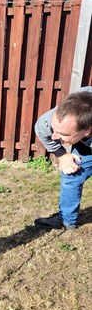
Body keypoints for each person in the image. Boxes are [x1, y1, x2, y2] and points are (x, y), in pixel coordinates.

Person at [34, 86, 92, 230]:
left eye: (63, 134)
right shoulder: (54, 118)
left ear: (87, 130)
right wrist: (62, 155)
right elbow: (41, 130)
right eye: (55, 130)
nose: (54, 137)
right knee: (72, 174)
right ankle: (67, 221)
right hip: (85, 145)